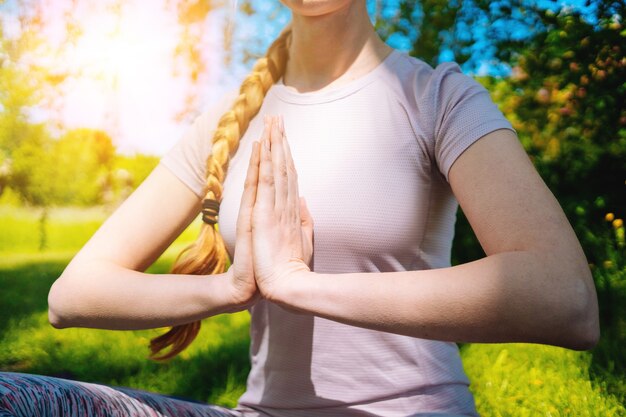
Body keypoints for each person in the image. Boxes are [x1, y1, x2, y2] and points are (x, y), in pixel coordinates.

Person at [0, 1, 599, 416]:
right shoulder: (222, 122)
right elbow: (72, 295)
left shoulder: (438, 98)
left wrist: (297, 284)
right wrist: (235, 288)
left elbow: (563, 299)